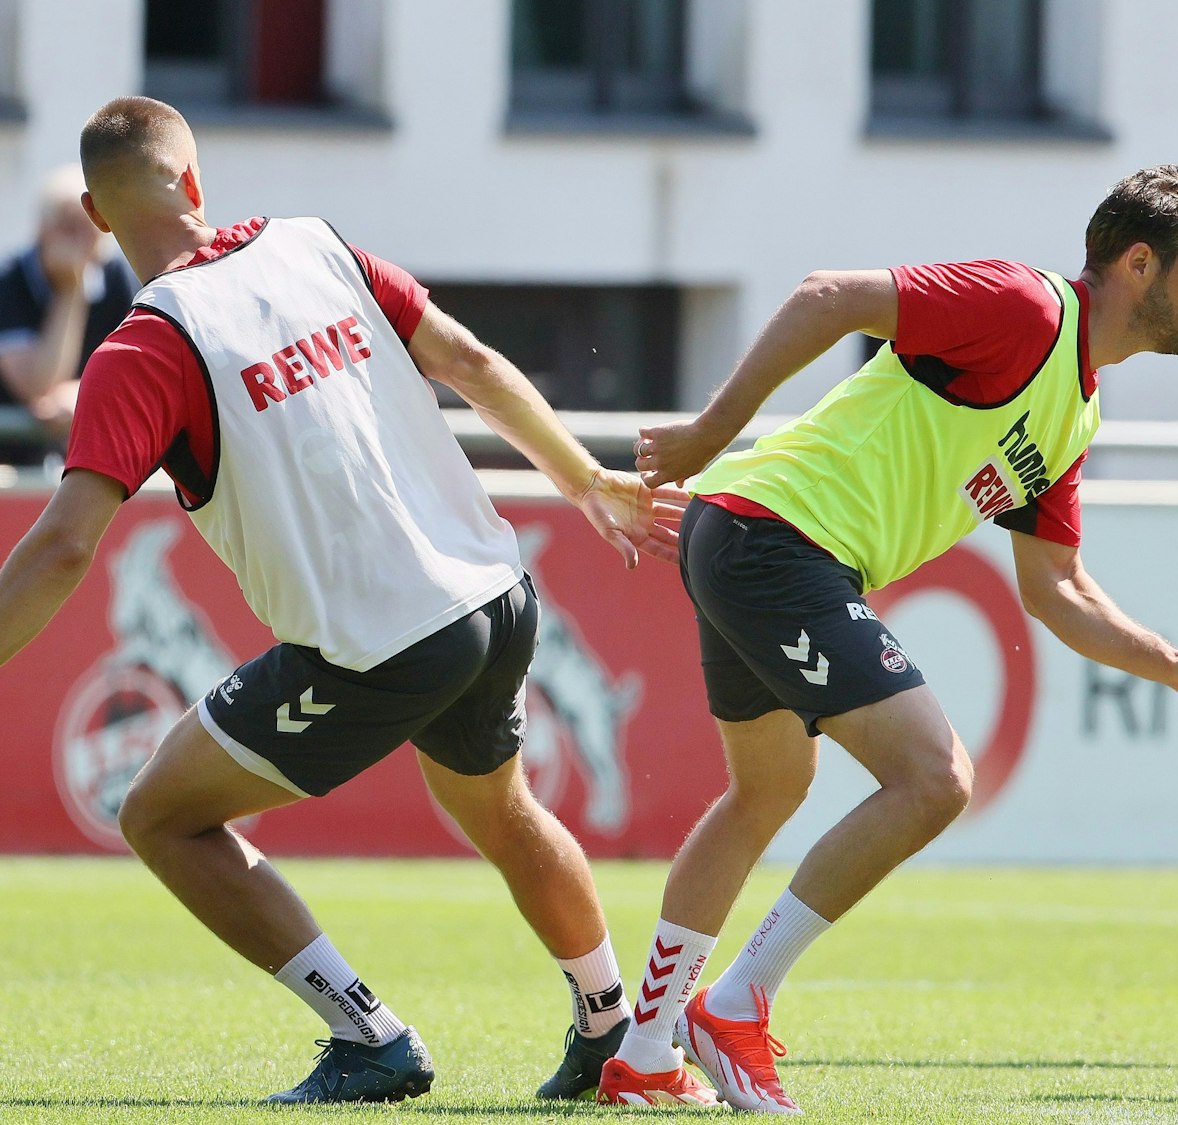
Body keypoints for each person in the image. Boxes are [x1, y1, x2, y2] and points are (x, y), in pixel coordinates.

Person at [0, 96, 681, 1104]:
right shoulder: (314, 247)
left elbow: (61, 547)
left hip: (381, 644)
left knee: (160, 815)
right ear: (194, 182)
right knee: (496, 808)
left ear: (99, 221)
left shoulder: (143, 348)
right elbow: (473, 363)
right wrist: (583, 479)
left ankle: (370, 1037)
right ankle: (612, 1025)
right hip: (494, 596)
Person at [596, 166, 1178, 1112]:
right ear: (1138, 262)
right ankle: (735, 1003)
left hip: (752, 537)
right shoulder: (1026, 308)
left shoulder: (1079, 407)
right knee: (935, 776)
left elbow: (1055, 586)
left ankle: (647, 1051)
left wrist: (1167, 662)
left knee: (769, 788)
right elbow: (827, 296)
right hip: (775, 538)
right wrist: (713, 429)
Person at [0, 164, 139, 455]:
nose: (78, 242)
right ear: (42, 229)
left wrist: (82, 393)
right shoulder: (9, 281)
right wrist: (70, 291)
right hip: (13, 459)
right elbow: (37, 387)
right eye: (67, 227)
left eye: (88, 227)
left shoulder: (117, 278)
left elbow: (135, 372)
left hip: (87, 455)